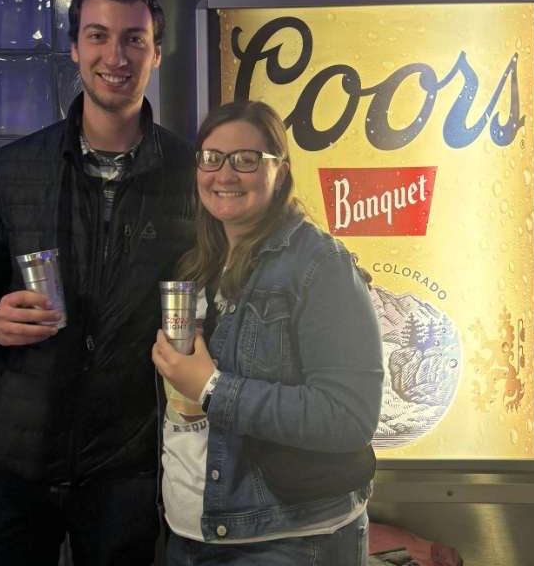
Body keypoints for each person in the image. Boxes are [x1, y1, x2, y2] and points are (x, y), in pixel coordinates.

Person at [0, 0, 195, 566]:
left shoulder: (190, 174)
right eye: (98, 36)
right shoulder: (14, 168)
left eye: (134, 39)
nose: (116, 56)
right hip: (13, 460)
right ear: (75, 48)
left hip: (125, 465)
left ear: (157, 52)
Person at [151, 100, 384, 566]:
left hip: (289, 541)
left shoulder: (320, 265)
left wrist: (212, 388)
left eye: (246, 159)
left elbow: (348, 416)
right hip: (191, 533)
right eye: (212, 158)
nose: (225, 174)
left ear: (281, 171)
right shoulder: (199, 263)